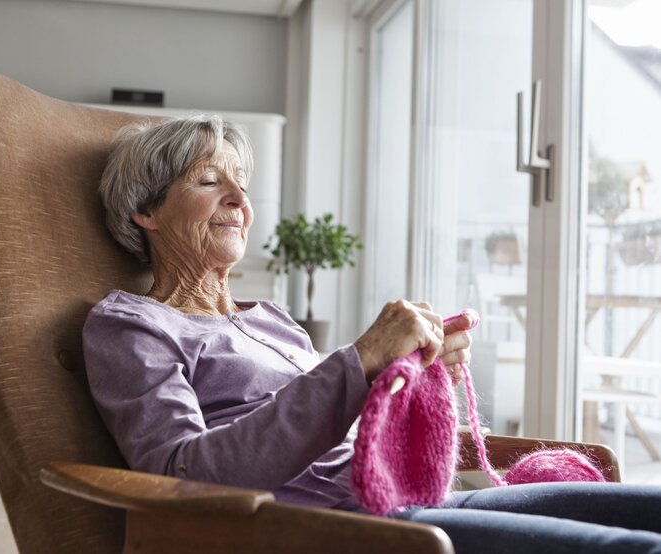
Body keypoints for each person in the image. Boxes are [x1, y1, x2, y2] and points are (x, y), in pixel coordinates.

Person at [83, 115, 661, 554]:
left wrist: (409, 383)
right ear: (145, 212)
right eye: (209, 181)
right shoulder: (132, 326)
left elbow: (343, 421)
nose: (240, 200)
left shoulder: (270, 318)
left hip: (411, 498)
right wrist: (360, 360)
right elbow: (182, 474)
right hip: (342, 528)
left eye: (242, 184)